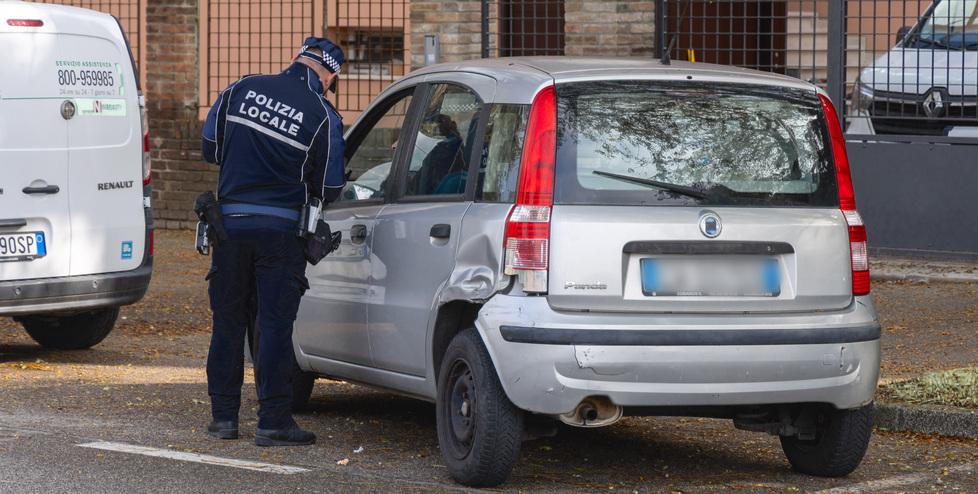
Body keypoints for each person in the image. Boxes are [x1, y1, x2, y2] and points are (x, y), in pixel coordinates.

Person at [199, 37, 346, 447]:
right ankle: (273, 422)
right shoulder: (322, 114)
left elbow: (210, 149)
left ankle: (223, 419)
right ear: (330, 75)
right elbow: (331, 186)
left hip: (229, 227)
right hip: (281, 235)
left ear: (297, 58)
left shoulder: (240, 89)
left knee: (227, 323)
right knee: (275, 326)